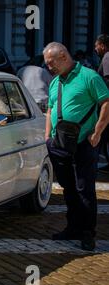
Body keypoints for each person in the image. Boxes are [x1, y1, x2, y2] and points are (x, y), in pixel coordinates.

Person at [43, 42, 109, 251]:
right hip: (59, 144)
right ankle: (73, 227)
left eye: (51, 63)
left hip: (84, 143)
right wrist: (47, 137)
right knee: (68, 188)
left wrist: (97, 131)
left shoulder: (89, 76)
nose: (48, 67)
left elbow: (106, 103)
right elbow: (50, 109)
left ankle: (88, 233)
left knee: (84, 189)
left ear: (63, 56)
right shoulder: (55, 82)